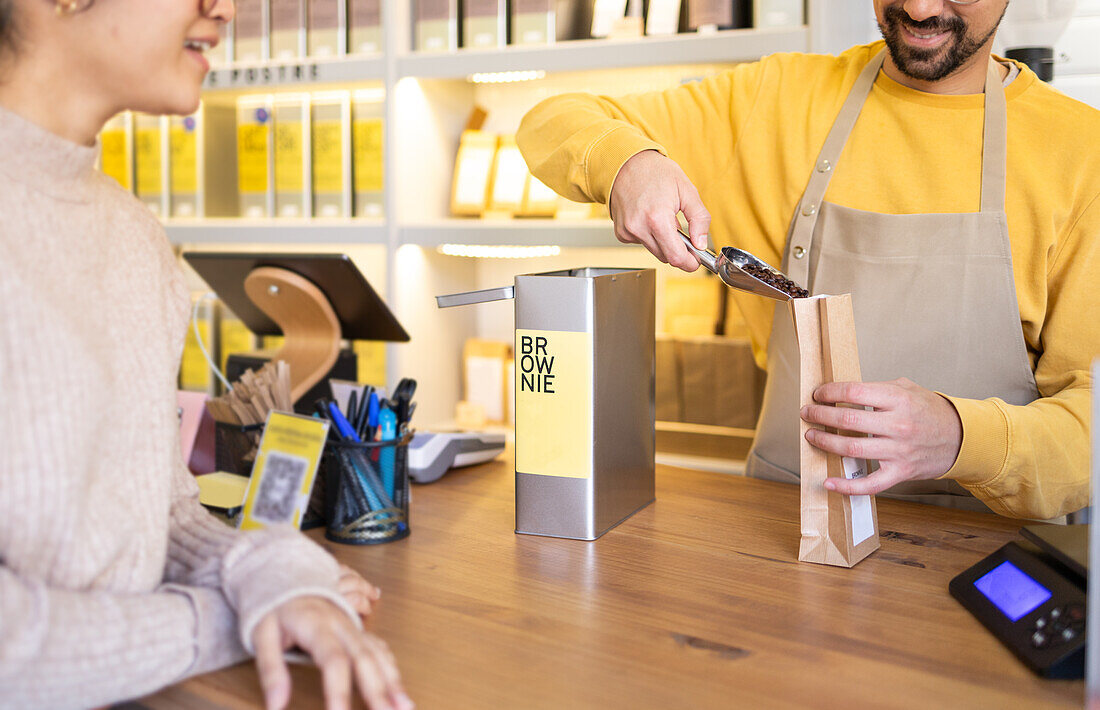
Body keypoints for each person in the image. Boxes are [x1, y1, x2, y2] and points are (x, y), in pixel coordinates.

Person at [517, 0, 1100, 521]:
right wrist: (628, 161)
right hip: (786, 533)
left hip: (984, 567)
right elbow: (553, 118)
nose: (920, 8)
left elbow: (1088, 430)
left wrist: (958, 437)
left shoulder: (1079, 152)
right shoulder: (778, 97)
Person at [0, 1, 412, 709]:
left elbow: (157, 513)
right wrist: (230, 621)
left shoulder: (133, 238)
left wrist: (277, 574)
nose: (227, 7)